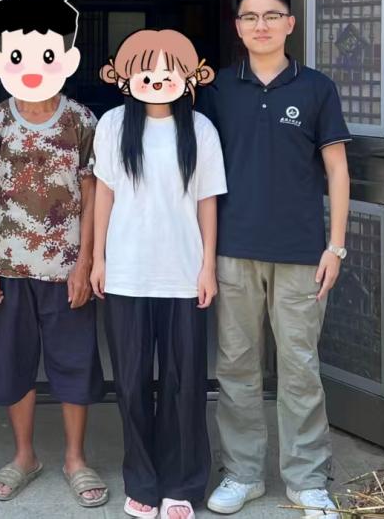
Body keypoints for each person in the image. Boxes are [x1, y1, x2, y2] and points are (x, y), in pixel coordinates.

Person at [202, 0, 351, 519]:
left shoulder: (315, 88)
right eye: (249, 17)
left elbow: (337, 170)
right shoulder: (219, 88)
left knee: (299, 367)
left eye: (270, 16)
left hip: (301, 253)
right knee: (236, 367)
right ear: (237, 27)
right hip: (233, 248)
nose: (260, 26)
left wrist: (336, 246)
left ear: (289, 23)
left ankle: (307, 479)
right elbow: (200, 172)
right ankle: (242, 473)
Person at [0, 0, 108, 509]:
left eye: (46, 54)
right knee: (14, 361)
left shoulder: (81, 121)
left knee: (73, 362)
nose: (32, 65)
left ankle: (75, 458)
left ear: (66, 57)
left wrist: (86, 261)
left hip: (67, 267)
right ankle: (24, 455)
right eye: (19, 54)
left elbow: (93, 193)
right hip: (10, 267)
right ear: (2, 56)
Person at [90, 29, 226, 519]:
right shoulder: (112, 125)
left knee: (183, 382)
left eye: (170, 72)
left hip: (183, 272)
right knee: (129, 382)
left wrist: (207, 266)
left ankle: (182, 483)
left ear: (190, 77)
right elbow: (104, 194)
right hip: (127, 271)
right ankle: (142, 481)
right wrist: (99, 258)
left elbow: (207, 200)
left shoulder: (201, 130)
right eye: (146, 72)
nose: (157, 80)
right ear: (124, 77)